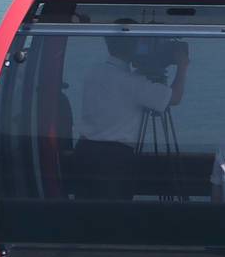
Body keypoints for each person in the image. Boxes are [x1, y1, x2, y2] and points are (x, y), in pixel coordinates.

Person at [71, 29, 189, 199]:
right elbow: (175, 97)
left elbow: (122, 87)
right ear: (132, 46)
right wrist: (182, 66)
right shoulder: (132, 84)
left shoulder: (94, 72)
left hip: (84, 152)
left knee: (85, 211)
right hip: (113, 160)